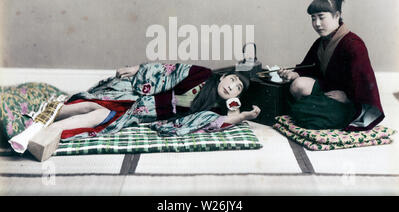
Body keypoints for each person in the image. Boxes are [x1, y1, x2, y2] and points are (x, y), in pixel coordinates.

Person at [10, 62, 261, 160]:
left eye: (238, 88)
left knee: (97, 117)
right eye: (233, 80)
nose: (232, 86)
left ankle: (39, 127)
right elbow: (167, 70)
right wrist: (137, 68)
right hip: (136, 93)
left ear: (235, 96)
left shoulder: (211, 110)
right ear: (224, 76)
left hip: (136, 113)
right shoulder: (202, 74)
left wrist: (246, 116)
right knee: (90, 105)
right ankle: (39, 118)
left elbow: (221, 122)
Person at [278, 0, 384, 131]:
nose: (317, 23)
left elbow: (364, 82)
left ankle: (316, 111)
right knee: (297, 86)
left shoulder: (353, 44)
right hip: (328, 93)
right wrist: (294, 74)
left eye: (321, 17)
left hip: (348, 101)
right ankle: (314, 110)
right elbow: (309, 68)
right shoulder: (321, 42)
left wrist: (348, 97)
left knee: (298, 110)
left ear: (337, 15)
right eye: (313, 18)